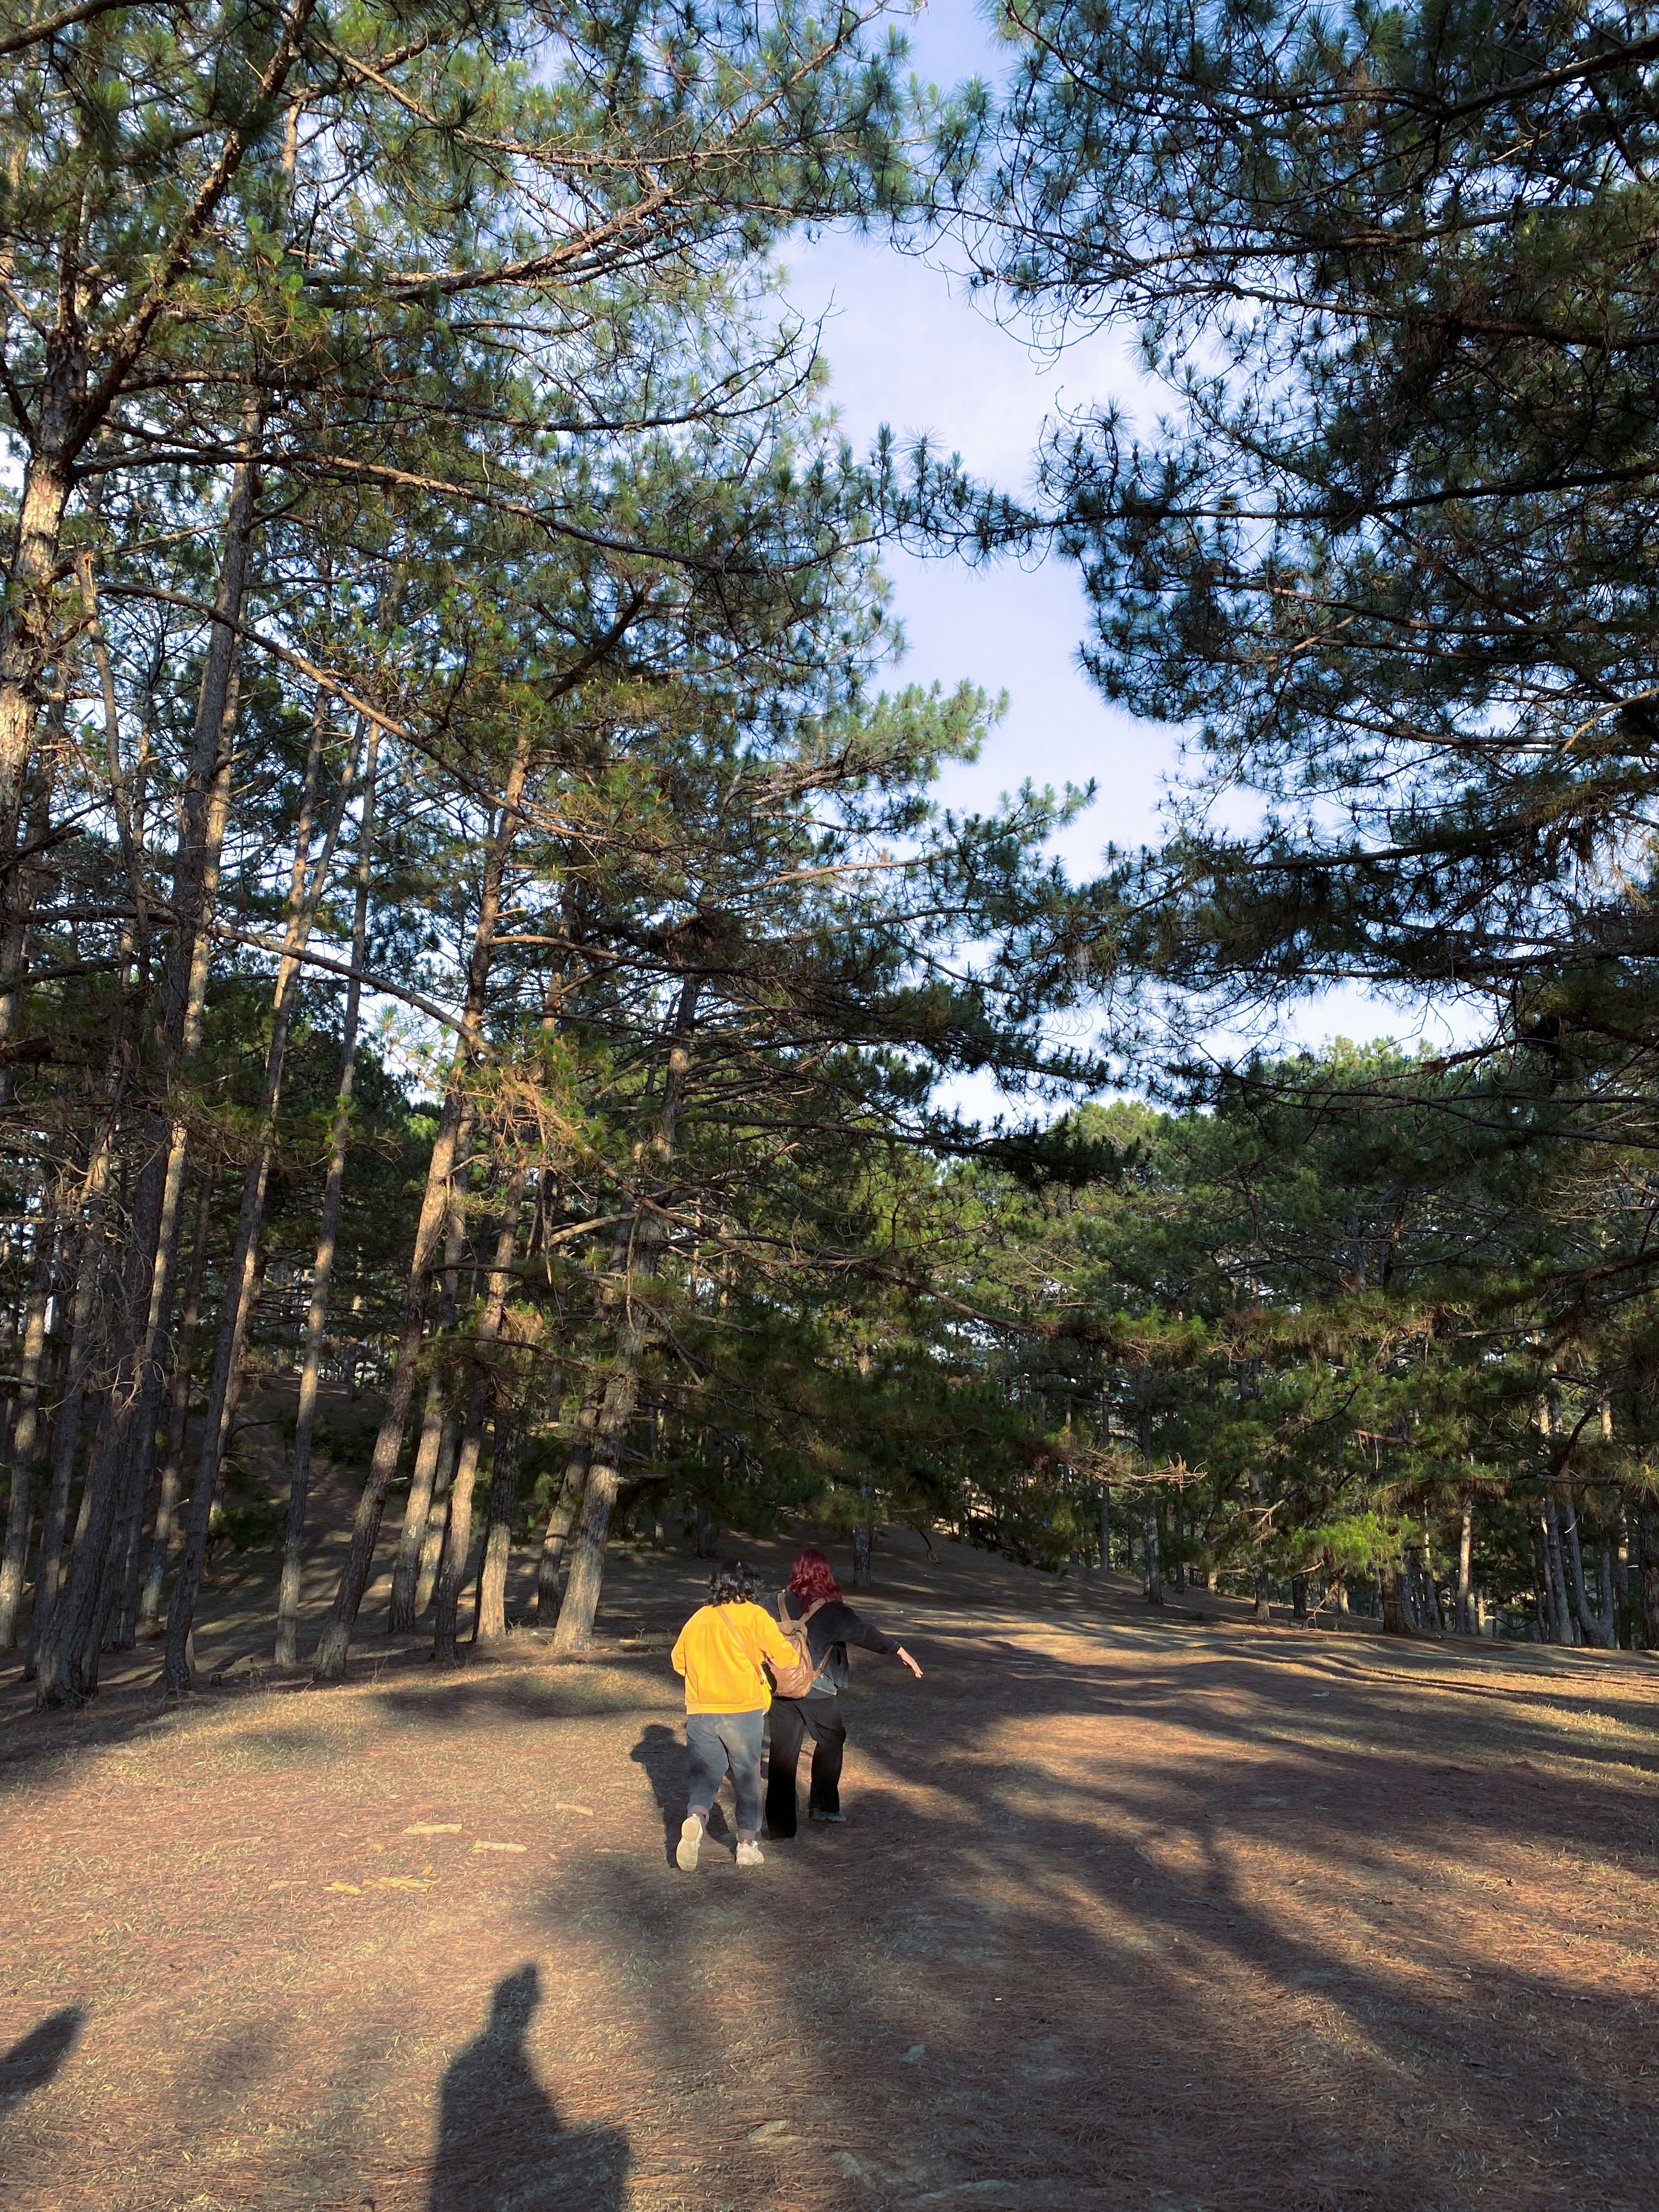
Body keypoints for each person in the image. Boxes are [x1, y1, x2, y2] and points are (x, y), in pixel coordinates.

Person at [764, 1546, 923, 1839]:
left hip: (780, 1690)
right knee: (832, 1739)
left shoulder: (772, 1603)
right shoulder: (831, 1611)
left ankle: (780, 1827)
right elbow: (864, 1633)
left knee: (782, 1755)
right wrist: (899, 1650)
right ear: (825, 1574)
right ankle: (823, 1806)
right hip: (817, 1688)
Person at [669, 1559, 804, 1872]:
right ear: (752, 1586)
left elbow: (678, 1662)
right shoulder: (756, 1616)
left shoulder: (699, 1618)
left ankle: (696, 1818)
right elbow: (785, 1658)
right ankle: (747, 1844)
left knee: (705, 1775)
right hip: (742, 1710)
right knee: (747, 1777)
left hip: (701, 1711)